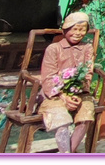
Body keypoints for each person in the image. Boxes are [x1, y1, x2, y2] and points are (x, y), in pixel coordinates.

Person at [39, 11, 96, 153]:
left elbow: (88, 72)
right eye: (75, 29)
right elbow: (48, 77)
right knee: (62, 121)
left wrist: (78, 91)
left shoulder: (87, 48)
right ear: (66, 30)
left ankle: (66, 154)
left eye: (82, 30)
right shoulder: (54, 49)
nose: (78, 33)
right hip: (55, 95)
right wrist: (63, 97)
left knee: (86, 116)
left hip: (79, 93)